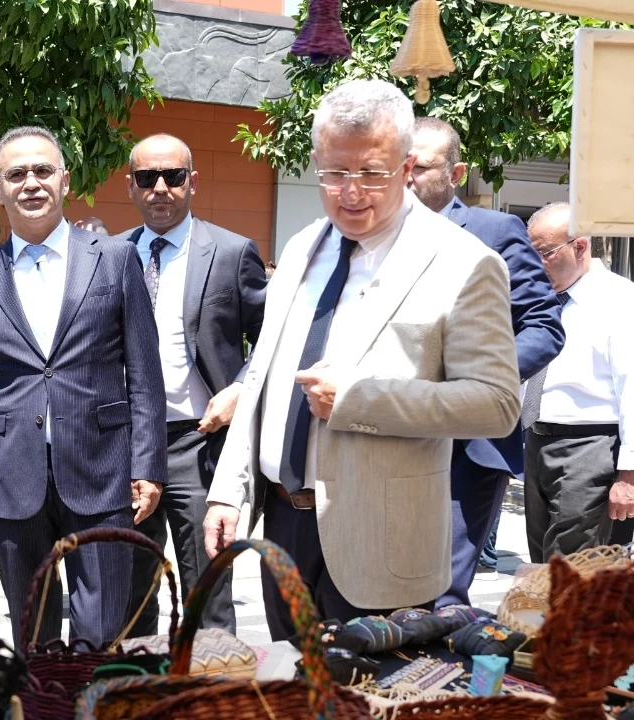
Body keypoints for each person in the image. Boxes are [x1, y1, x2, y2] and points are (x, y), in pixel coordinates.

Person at [203, 79, 521, 640]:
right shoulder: (303, 246)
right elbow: (264, 376)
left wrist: (358, 398)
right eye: (335, 173)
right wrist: (231, 488)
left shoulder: (463, 263)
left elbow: (496, 404)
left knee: (372, 688)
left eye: (372, 173)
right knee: (294, 679)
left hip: (382, 540)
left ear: (406, 167)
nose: (351, 192)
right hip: (283, 526)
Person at [0, 126, 168, 648]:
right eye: (16, 174)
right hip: (13, 477)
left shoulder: (115, 259)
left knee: (102, 632)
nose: (31, 183)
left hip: (103, 472)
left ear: (65, 181)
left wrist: (147, 465)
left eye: (43, 171)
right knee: (33, 637)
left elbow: (145, 375)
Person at [114, 133, 267, 635]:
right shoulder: (110, 254)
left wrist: (241, 388)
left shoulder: (231, 252)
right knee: (128, 595)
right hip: (126, 447)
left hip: (198, 445)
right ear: (130, 186)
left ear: (193, 181)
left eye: (173, 176)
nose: (160, 188)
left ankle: (214, 681)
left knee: (207, 594)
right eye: (147, 178)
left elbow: (272, 339)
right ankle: (135, 682)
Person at [408, 117, 565, 605]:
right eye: (399, 165)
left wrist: (477, 380)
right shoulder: (370, 237)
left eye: (420, 167)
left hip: (467, 444)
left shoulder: (494, 232)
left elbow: (543, 325)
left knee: (440, 592)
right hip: (387, 435)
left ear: (456, 174)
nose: (407, 177)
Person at [523, 202, 634, 561]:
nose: (536, 264)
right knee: (543, 565)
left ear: (580, 246)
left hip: (590, 446)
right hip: (536, 440)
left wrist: (629, 475)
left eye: (544, 253)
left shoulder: (620, 300)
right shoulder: (540, 300)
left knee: (571, 565)